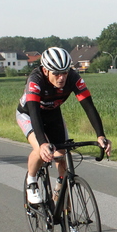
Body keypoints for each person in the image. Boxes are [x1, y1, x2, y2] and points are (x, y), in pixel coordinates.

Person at [16, 47, 111, 206]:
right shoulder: (35, 80)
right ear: (45, 71)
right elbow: (34, 113)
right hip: (29, 114)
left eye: (65, 73)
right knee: (40, 150)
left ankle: (61, 200)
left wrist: (100, 135)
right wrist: (43, 143)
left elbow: (89, 107)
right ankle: (31, 183)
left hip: (53, 114)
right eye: (56, 74)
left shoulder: (73, 78)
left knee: (61, 156)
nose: (62, 78)